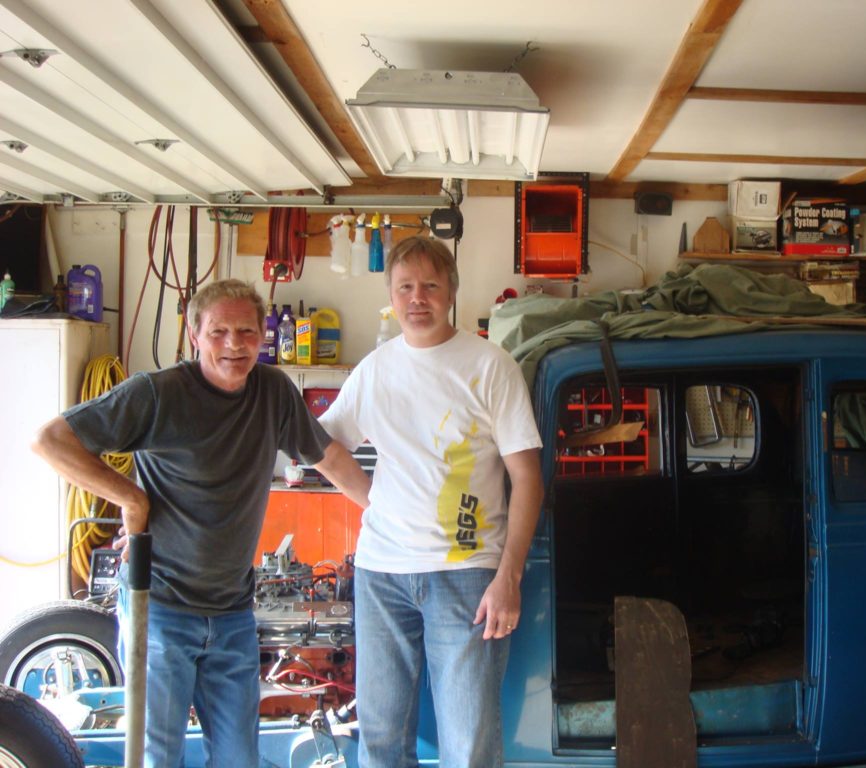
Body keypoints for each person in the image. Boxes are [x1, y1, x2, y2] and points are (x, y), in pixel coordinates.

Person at [31, 278, 369, 767]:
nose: (234, 344)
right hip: (162, 608)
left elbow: (329, 458)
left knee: (238, 758)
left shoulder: (273, 391)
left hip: (232, 612)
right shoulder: (157, 394)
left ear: (262, 336)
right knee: (158, 756)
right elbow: (50, 440)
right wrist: (131, 499)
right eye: (219, 331)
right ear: (195, 334)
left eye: (247, 332)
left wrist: (381, 514)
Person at [319, 235, 544, 768]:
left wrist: (508, 577)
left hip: (466, 576)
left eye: (429, 286)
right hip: (381, 575)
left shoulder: (491, 366)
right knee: (381, 739)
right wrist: (372, 502)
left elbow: (528, 479)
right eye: (404, 287)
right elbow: (323, 447)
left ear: (451, 293)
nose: (416, 298)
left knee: (468, 744)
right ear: (391, 297)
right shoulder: (375, 370)